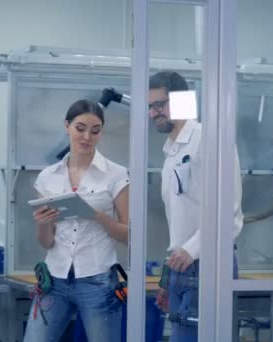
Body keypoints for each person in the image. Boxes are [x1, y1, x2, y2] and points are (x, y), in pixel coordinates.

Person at [23, 99, 129, 342]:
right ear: (67, 126)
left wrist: (99, 216)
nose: (86, 137)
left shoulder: (116, 174)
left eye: (95, 130)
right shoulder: (48, 177)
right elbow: (47, 242)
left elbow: (130, 233)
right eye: (80, 128)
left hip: (98, 281)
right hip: (54, 280)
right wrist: (42, 222)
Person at [149, 71, 244, 341]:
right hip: (181, 265)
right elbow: (178, 221)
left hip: (209, 262)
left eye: (160, 104)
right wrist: (170, 278)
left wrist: (190, 251)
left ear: (181, 101)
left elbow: (230, 212)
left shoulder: (210, 139)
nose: (154, 113)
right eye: (150, 107)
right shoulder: (170, 152)